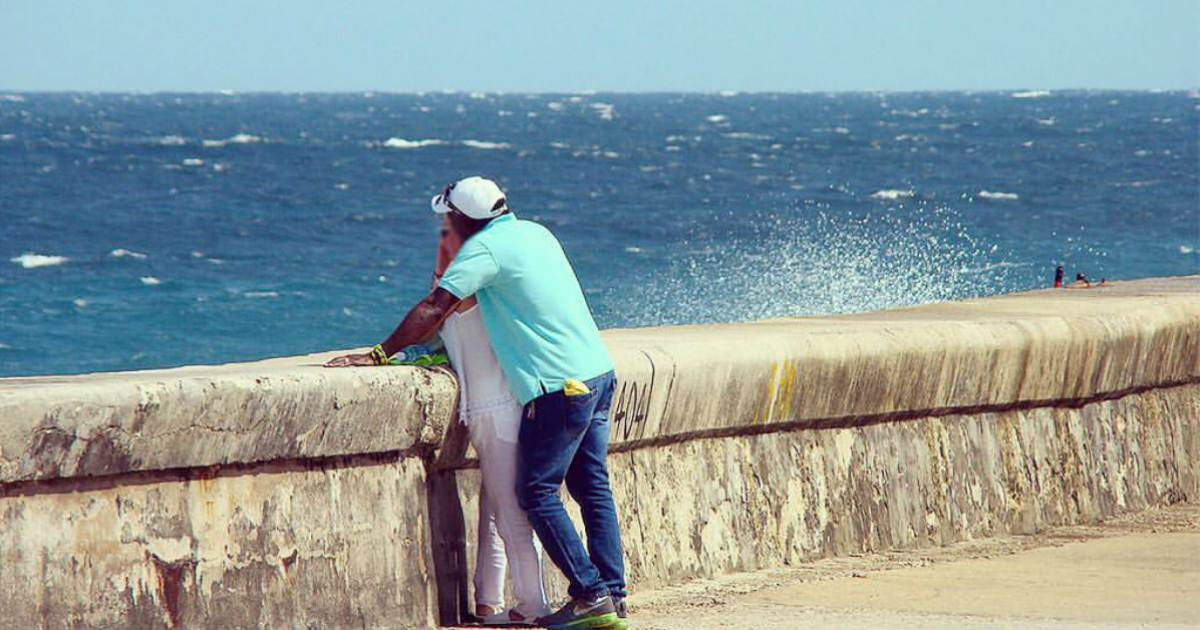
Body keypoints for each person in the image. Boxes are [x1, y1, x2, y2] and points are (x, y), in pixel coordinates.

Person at [325, 176, 628, 630]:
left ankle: (591, 595)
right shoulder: (536, 233)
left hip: (558, 388)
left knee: (538, 493)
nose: (446, 224)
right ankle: (615, 593)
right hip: (598, 374)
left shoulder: (483, 252)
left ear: (463, 218)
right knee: (592, 489)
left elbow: (435, 307)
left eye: (448, 217)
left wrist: (378, 354)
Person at [433, 215, 551, 625]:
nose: (441, 240)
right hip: (496, 409)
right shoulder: (486, 281)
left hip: (500, 411)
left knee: (510, 513)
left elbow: (435, 309)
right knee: (494, 507)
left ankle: (534, 606)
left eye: (446, 233)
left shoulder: (470, 288)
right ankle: (488, 600)